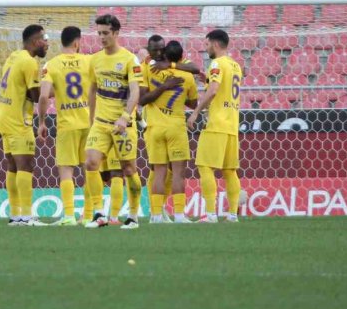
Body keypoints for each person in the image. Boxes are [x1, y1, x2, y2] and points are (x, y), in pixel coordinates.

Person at [84, 14, 143, 229]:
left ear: (116, 33)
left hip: (123, 125)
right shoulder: (95, 60)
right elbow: (92, 89)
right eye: (99, 33)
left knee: (129, 169)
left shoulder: (129, 59)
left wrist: (126, 116)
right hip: (101, 122)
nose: (101, 37)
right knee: (90, 162)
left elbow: (136, 91)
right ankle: (99, 214)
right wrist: (91, 119)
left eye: (105, 33)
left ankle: (134, 216)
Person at [188, 29, 243, 223]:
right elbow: (223, 87)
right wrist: (208, 79)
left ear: (216, 44)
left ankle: (210, 214)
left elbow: (213, 91)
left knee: (204, 167)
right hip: (232, 124)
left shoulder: (217, 63)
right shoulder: (235, 65)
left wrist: (196, 112)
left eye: (207, 44)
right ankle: (233, 214)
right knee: (229, 171)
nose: (206, 48)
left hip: (216, 123)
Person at [0, 24, 48, 226]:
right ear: (35, 42)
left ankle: (15, 214)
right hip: (18, 120)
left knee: (13, 167)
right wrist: (53, 88)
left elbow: (19, 87)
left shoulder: (14, 56)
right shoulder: (30, 62)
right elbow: (36, 96)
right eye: (44, 39)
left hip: (4, 116)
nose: (47, 43)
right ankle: (26, 215)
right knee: (26, 166)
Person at [38, 26, 90, 226]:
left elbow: (43, 95)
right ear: (77, 42)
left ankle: (69, 215)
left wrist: (42, 121)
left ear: (62, 42)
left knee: (66, 169)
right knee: (89, 170)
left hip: (66, 124)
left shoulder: (52, 64)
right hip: (88, 122)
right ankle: (88, 215)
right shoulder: (89, 61)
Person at [141, 40, 198, 223]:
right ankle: (180, 215)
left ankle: (156, 215)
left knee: (159, 172)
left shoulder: (149, 70)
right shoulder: (187, 77)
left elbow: (142, 99)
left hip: (155, 128)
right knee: (179, 173)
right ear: (181, 57)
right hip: (176, 127)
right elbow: (194, 103)